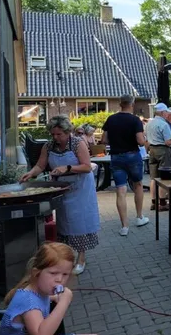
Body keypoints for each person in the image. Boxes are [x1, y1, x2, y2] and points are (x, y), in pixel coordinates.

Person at [20, 116, 100, 275]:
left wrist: (68, 168)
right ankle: (66, 256)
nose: (55, 138)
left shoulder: (78, 143)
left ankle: (81, 257)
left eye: (59, 134)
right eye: (53, 134)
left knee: (79, 222)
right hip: (62, 187)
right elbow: (40, 165)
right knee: (64, 221)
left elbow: (86, 166)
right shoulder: (48, 146)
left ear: (67, 132)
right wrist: (30, 173)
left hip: (81, 188)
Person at [0, 243, 87, 335]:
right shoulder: (29, 302)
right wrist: (63, 303)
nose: (59, 279)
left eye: (65, 274)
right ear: (37, 273)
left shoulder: (40, 293)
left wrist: (51, 297)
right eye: (53, 273)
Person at [101, 94, 149, 236]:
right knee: (138, 184)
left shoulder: (111, 119)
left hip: (116, 157)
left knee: (120, 190)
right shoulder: (135, 120)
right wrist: (145, 140)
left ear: (120, 103)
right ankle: (139, 217)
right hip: (132, 156)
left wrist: (116, 142)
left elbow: (104, 139)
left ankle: (124, 226)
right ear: (132, 104)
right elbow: (140, 141)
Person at [145, 103, 171, 211]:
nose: (168, 114)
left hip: (152, 150)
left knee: (153, 178)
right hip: (163, 150)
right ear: (163, 113)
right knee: (165, 176)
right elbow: (168, 142)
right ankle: (162, 203)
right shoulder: (164, 124)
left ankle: (154, 202)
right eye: (166, 112)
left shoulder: (149, 123)